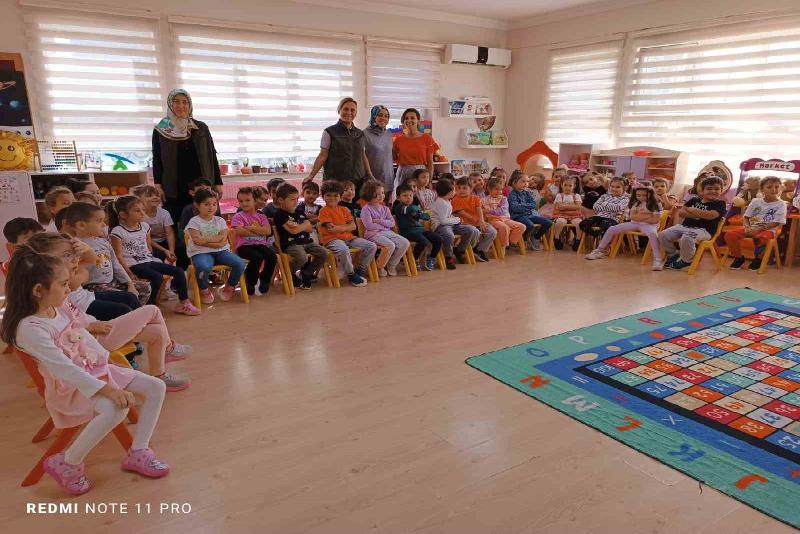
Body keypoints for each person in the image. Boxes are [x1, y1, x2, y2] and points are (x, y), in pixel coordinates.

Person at [1, 250, 171, 495]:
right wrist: (109, 388)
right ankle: (68, 462)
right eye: (62, 285)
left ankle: (138, 451)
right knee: (116, 407)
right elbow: (64, 368)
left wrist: (107, 363)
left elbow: (83, 336)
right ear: (38, 290)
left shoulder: (55, 309)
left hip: (95, 372)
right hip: (70, 387)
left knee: (156, 387)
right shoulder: (29, 328)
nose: (68, 289)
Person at [21, 232, 191, 391]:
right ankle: (169, 348)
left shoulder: (59, 280)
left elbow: (89, 264)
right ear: (46, 262)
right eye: (67, 255)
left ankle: (159, 375)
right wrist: (90, 327)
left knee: (158, 331)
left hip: (93, 330)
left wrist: (84, 252)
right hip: (89, 343)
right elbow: (64, 329)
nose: (74, 259)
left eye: (73, 253)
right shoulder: (56, 289)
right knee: (152, 310)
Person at [107, 196, 198, 315]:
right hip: (133, 265)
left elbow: (148, 246)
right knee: (157, 277)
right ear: (123, 214)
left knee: (179, 271)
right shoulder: (117, 231)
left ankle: (183, 302)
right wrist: (128, 273)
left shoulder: (145, 226)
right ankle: (150, 307)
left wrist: (163, 253)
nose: (142, 213)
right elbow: (118, 256)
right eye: (137, 210)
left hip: (148, 261)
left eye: (142, 210)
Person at [59, 202, 152, 307]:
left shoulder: (103, 242)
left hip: (112, 281)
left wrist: (129, 283)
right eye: (99, 221)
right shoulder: (76, 245)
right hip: (93, 286)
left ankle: (136, 312)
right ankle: (133, 315)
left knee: (145, 288)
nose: (104, 225)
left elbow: (116, 264)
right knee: (126, 297)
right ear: (81, 225)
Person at [152, 89, 222, 223]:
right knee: (179, 220)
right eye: (176, 102)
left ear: (190, 105)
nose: (181, 106)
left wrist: (218, 182)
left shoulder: (200, 127)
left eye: (185, 102)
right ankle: (181, 244)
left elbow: (212, 155)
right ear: (170, 105)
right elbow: (157, 158)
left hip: (202, 181)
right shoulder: (160, 129)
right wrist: (158, 185)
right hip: (174, 183)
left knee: (208, 216)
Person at [184, 189, 247, 303]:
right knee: (204, 267)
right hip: (200, 252)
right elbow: (198, 242)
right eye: (206, 204)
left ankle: (230, 287)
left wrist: (205, 239)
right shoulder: (194, 222)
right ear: (197, 205)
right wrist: (216, 241)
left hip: (221, 251)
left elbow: (222, 240)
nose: (211, 207)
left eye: (214, 204)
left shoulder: (220, 220)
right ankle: (204, 290)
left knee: (240, 263)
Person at [586, 186, 664, 270]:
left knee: (652, 234)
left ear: (650, 194)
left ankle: (657, 259)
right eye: (638, 195)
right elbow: (633, 217)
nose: (641, 197)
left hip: (649, 226)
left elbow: (655, 220)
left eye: (644, 195)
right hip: (634, 223)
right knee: (612, 228)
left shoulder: (655, 204)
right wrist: (647, 216)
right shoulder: (636, 203)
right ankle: (600, 250)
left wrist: (640, 216)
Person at [304, 97, 373, 189]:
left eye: (352, 110)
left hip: (357, 182)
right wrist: (311, 176)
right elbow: (322, 156)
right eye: (345, 109)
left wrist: (369, 174)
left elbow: (363, 155)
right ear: (339, 110)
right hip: (335, 183)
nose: (349, 112)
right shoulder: (329, 132)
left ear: (356, 113)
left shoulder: (360, 134)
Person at [659, 175, 726, 270]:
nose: (713, 191)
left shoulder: (720, 203)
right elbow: (682, 213)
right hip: (684, 226)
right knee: (663, 234)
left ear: (721, 190)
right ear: (702, 191)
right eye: (709, 188)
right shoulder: (694, 200)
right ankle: (673, 255)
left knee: (687, 238)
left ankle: (686, 260)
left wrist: (692, 210)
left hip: (704, 231)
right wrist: (702, 215)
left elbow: (712, 215)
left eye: (717, 189)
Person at [315, 181, 373, 286]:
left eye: (336, 195)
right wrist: (346, 227)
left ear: (340, 196)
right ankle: (351, 274)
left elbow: (353, 226)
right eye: (328, 195)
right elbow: (331, 229)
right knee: (343, 249)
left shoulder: (344, 209)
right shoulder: (323, 211)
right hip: (332, 240)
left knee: (371, 246)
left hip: (349, 238)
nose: (332, 198)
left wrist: (342, 228)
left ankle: (359, 269)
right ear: (323, 196)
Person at [272, 183, 328, 290]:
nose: (296, 202)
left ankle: (307, 273)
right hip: (291, 244)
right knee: (302, 257)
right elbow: (293, 231)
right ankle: (290, 272)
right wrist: (304, 225)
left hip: (306, 241)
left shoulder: (299, 211)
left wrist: (300, 226)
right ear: (280, 200)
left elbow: (310, 229)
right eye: (292, 199)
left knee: (324, 253)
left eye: (297, 199)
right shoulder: (279, 215)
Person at [724, 176, 786, 271]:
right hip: (751, 227)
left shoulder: (781, 204)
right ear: (762, 189)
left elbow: (777, 222)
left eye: (777, 187)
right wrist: (748, 228)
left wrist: (758, 229)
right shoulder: (755, 201)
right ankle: (739, 258)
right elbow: (746, 217)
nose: (774, 189)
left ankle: (758, 259)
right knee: (729, 235)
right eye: (769, 187)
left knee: (759, 238)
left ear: (780, 188)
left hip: (768, 230)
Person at [231, 187, 277, 295]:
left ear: (254, 200)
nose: (244, 203)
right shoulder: (238, 216)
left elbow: (267, 231)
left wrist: (249, 228)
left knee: (272, 256)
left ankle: (264, 279)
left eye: (247, 200)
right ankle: (250, 282)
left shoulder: (261, 216)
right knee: (256, 257)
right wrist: (259, 231)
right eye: (241, 201)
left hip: (260, 244)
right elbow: (240, 232)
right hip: (244, 246)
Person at [359, 181, 409, 277]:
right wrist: (384, 224)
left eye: (382, 193)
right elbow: (369, 226)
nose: (382, 195)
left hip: (387, 232)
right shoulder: (366, 209)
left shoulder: (385, 208)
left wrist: (379, 221)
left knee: (405, 243)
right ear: (369, 195)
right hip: (373, 234)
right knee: (390, 245)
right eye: (377, 194)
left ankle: (391, 265)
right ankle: (380, 267)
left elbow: (392, 223)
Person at [431, 179, 479, 269]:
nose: (455, 192)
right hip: (441, 226)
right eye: (453, 190)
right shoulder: (441, 203)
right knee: (449, 235)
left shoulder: (447, 200)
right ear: (448, 192)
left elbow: (448, 217)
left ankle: (460, 250)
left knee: (471, 230)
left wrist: (455, 220)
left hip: (450, 224)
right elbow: (443, 221)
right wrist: (457, 219)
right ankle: (448, 257)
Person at [392, 183, 441, 271]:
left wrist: (420, 214)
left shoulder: (413, 207)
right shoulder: (399, 207)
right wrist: (420, 214)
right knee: (423, 241)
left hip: (420, 230)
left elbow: (426, 217)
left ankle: (431, 258)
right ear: (398, 198)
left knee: (438, 239)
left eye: (410, 195)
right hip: (407, 232)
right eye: (405, 196)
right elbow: (413, 212)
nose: (408, 198)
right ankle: (414, 259)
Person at [392, 108, 439, 193]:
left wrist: (429, 180)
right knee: (403, 200)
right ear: (403, 121)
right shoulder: (398, 140)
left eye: (412, 118)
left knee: (419, 202)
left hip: (420, 174)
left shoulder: (427, 138)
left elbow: (430, 163)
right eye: (406, 118)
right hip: (403, 174)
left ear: (418, 121)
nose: (409, 120)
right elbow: (394, 157)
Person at [452, 176, 497, 262]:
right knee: (474, 231)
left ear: (471, 189)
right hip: (464, 224)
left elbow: (479, 209)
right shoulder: (455, 200)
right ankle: (461, 249)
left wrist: (481, 221)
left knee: (492, 231)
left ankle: (480, 250)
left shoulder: (475, 198)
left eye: (464, 188)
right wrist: (477, 221)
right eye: (458, 188)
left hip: (477, 223)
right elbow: (463, 213)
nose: (461, 190)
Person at [507, 170, 552, 251]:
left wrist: (523, 206)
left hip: (529, 214)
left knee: (548, 222)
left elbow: (533, 204)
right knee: (529, 225)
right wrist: (527, 206)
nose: (526, 184)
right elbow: (515, 208)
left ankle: (536, 237)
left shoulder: (526, 193)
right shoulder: (512, 194)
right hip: (518, 216)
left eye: (527, 181)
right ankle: (523, 240)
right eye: (523, 181)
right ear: (514, 183)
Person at [133, 185, 177, 265]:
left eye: (157, 195)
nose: (155, 197)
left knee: (179, 253)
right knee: (158, 256)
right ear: (139, 199)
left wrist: (171, 251)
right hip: (148, 243)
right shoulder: (140, 216)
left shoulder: (164, 213)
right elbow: (146, 239)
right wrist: (164, 250)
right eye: (149, 196)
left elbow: (169, 234)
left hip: (164, 241)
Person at [481, 176, 525, 252]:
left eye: (501, 189)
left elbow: (502, 210)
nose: (499, 192)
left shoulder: (504, 199)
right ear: (489, 189)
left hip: (506, 219)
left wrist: (490, 211)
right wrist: (490, 211)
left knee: (522, 226)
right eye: (496, 189)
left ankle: (510, 242)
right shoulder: (483, 200)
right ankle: (503, 245)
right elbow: (482, 211)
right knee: (504, 228)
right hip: (493, 220)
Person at [579, 177, 629, 243]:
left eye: (618, 187)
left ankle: (604, 244)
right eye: (612, 186)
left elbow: (617, 208)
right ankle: (597, 233)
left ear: (624, 188)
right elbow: (595, 206)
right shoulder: (604, 196)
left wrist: (604, 204)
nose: (614, 189)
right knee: (584, 223)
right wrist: (610, 207)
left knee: (605, 225)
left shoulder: (625, 199)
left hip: (613, 219)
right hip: (599, 217)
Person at [364, 105, 394, 202]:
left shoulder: (389, 134)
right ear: (374, 116)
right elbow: (361, 156)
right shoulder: (364, 133)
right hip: (372, 177)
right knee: (372, 207)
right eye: (380, 115)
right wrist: (369, 175)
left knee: (384, 208)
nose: (383, 118)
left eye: (386, 116)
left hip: (388, 177)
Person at [551, 176, 583, 250]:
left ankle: (578, 240)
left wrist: (564, 207)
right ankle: (557, 238)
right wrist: (572, 207)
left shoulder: (576, 196)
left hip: (574, 216)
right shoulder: (559, 195)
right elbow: (559, 208)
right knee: (560, 222)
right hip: (561, 215)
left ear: (574, 186)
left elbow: (578, 207)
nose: (567, 187)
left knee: (579, 223)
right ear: (562, 185)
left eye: (570, 185)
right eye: (565, 185)